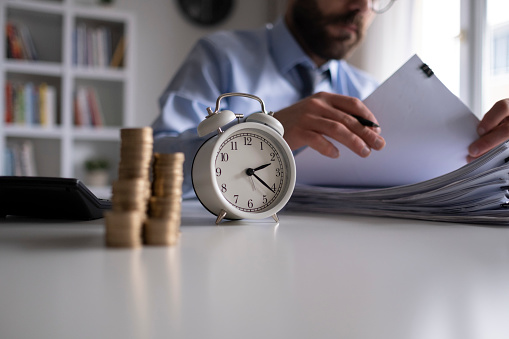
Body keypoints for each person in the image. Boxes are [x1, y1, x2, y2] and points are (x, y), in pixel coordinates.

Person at [152, 0, 509, 198]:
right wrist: (260, 136)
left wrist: (494, 159)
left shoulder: (374, 95)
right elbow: (152, 165)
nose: (361, 6)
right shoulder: (220, 56)